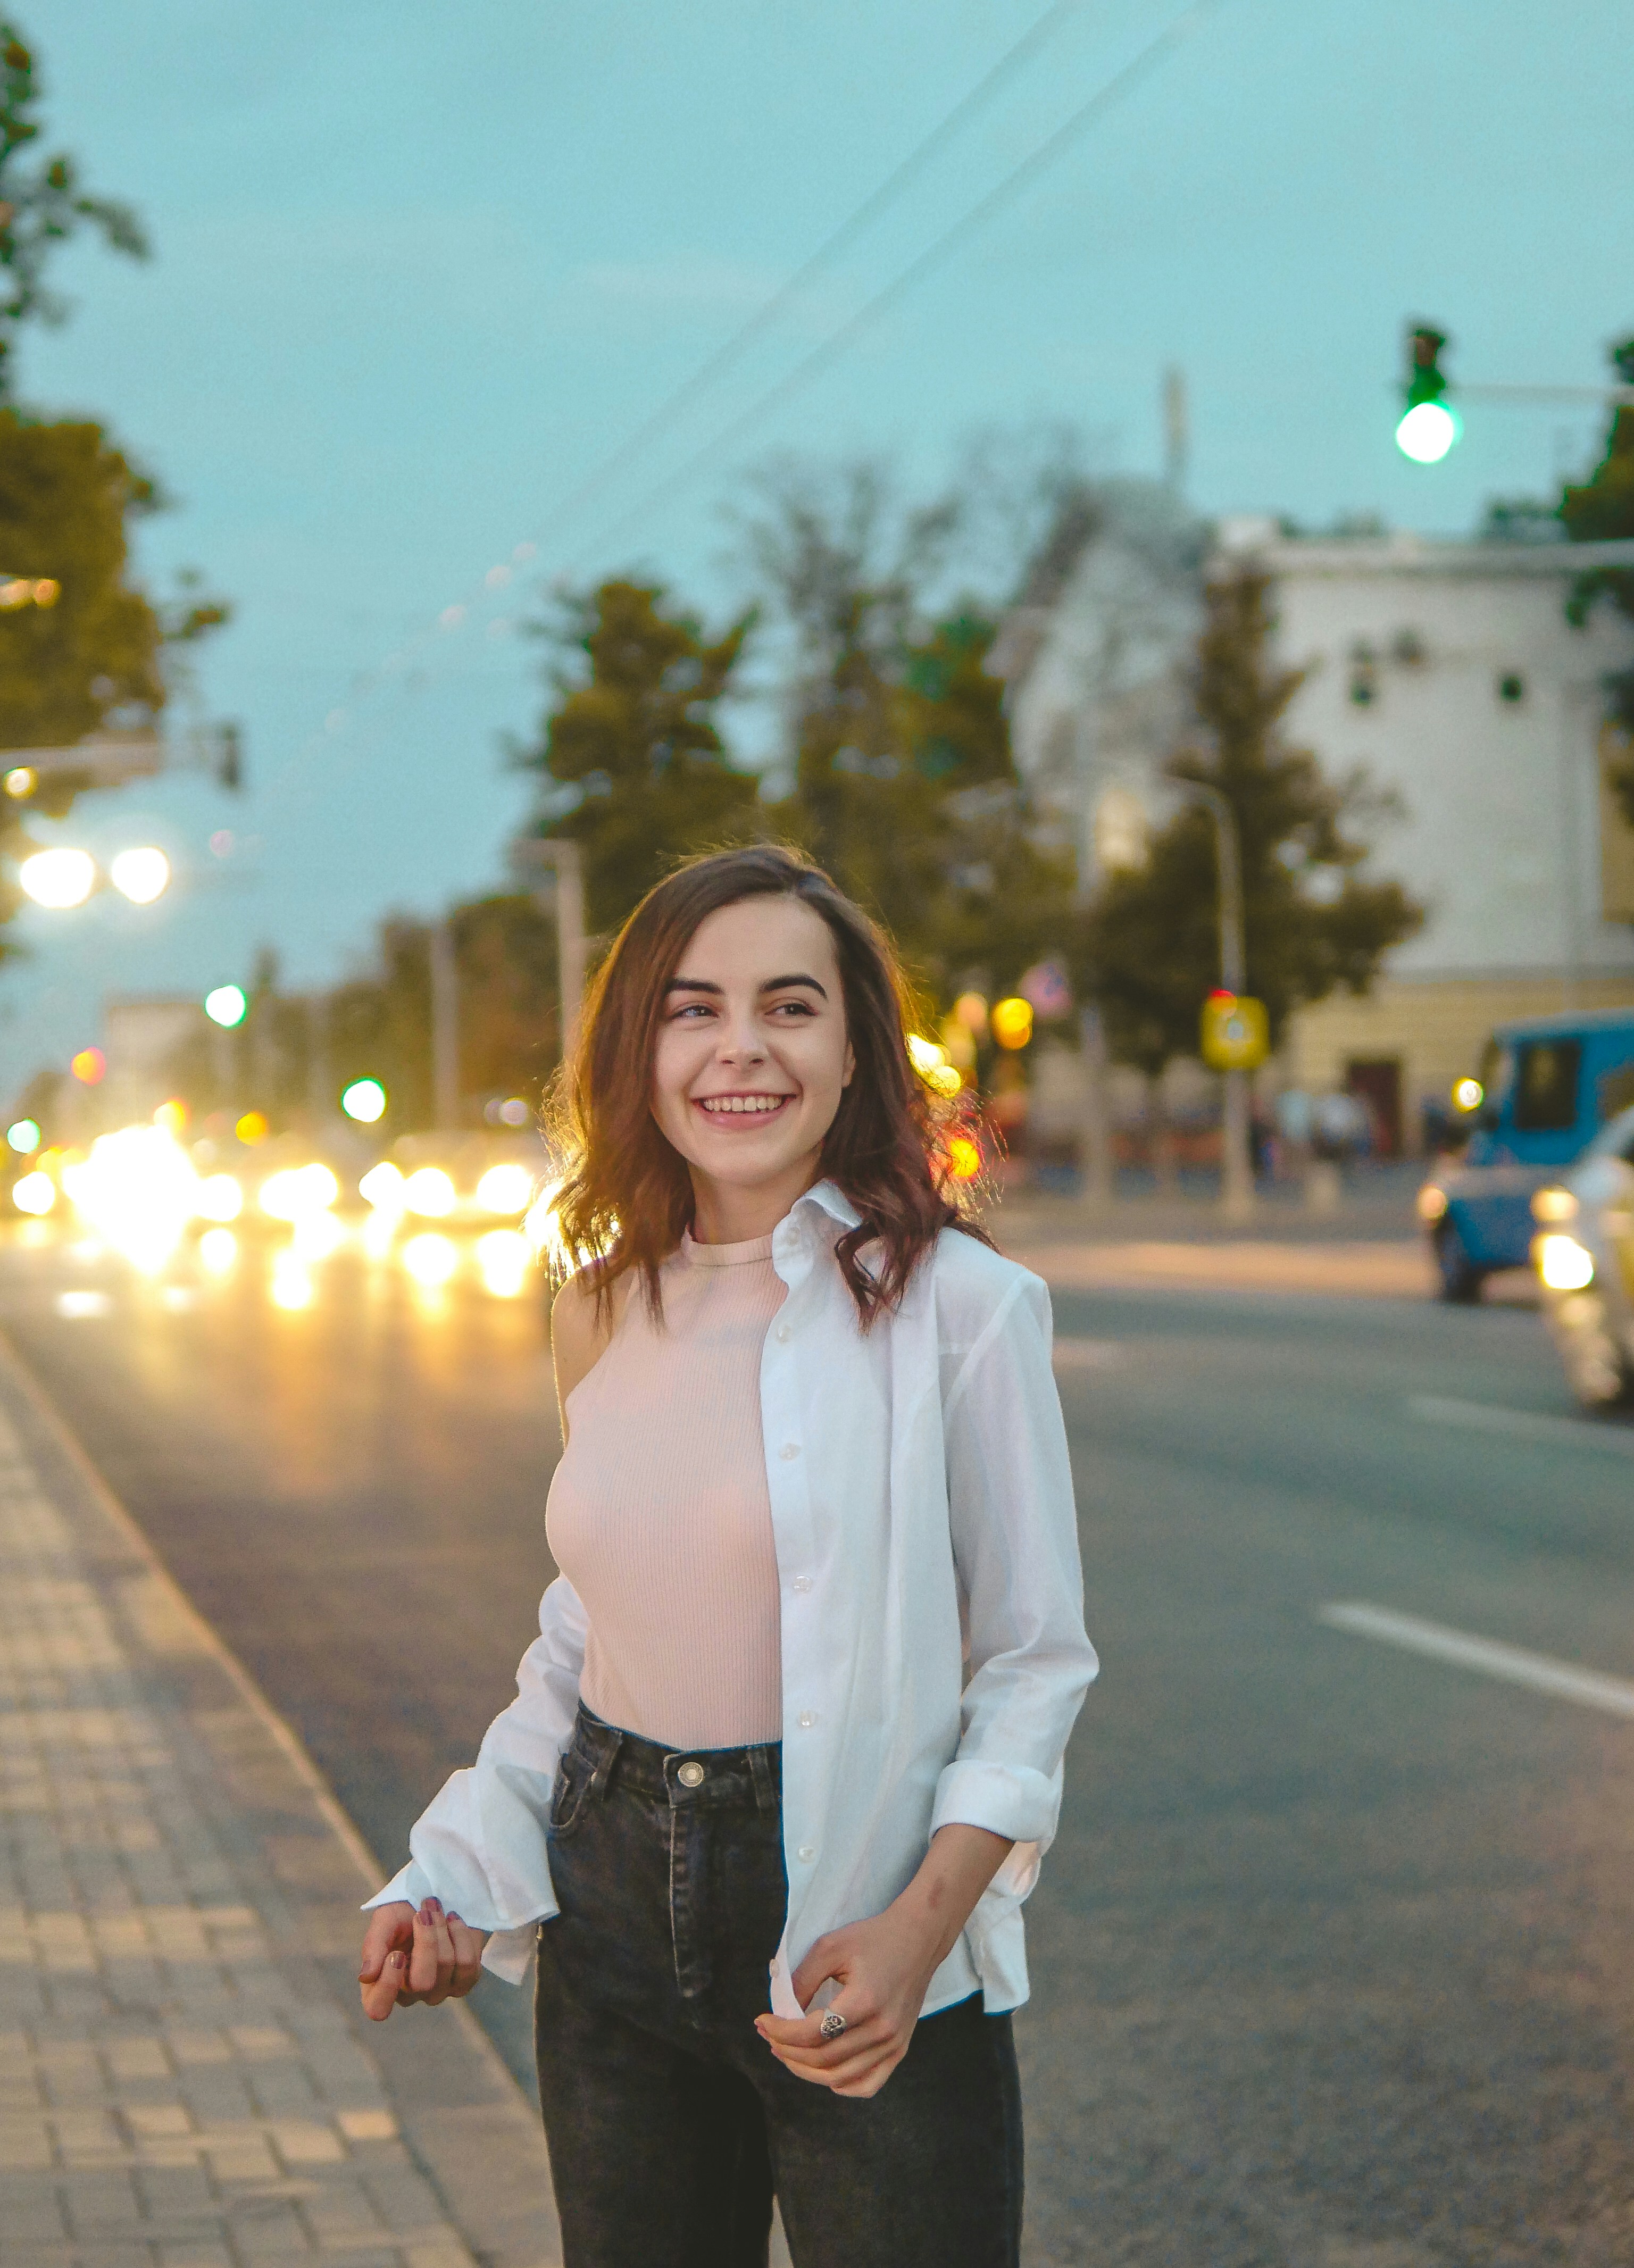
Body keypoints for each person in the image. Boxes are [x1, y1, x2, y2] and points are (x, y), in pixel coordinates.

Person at [356, 845, 1096, 2268]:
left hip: (862, 1936)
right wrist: (449, 1876)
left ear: (853, 1053)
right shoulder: (598, 1308)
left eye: (790, 1006)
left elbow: (1031, 1663)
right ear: (639, 1051)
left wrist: (918, 1934)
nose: (739, 1047)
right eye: (693, 1008)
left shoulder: (963, 1310)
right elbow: (589, 1641)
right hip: (614, 1936)